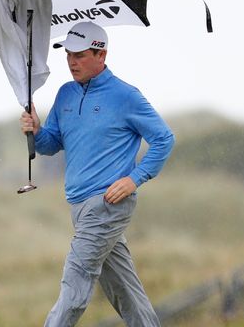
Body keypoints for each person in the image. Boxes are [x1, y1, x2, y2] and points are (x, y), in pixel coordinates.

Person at [20, 21, 174, 327]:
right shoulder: (65, 94)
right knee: (125, 291)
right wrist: (35, 131)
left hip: (107, 204)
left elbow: (164, 139)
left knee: (74, 283)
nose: (71, 61)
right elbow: (52, 143)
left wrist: (134, 179)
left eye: (79, 55)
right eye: (68, 55)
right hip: (78, 207)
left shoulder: (125, 96)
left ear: (101, 55)